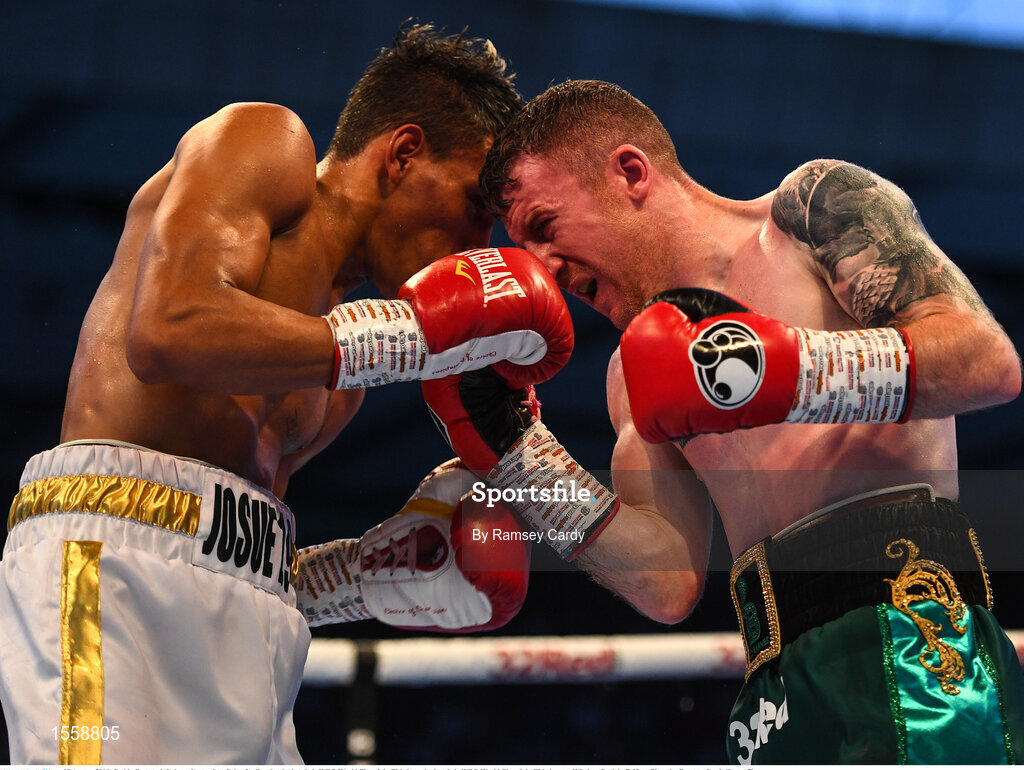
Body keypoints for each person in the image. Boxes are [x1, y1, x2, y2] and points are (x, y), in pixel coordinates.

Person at [0, 25, 573, 764]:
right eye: (473, 205)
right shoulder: (266, 139)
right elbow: (167, 329)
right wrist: (407, 338)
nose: (478, 243)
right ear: (402, 154)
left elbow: (213, 542)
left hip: (251, 631)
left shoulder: (339, 382)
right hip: (108, 573)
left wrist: (355, 578)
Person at [423, 79, 1024, 764]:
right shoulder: (630, 374)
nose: (548, 270)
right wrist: (516, 457)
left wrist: (777, 369)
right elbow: (665, 579)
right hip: (771, 690)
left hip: (913, 638)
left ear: (629, 172)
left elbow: (987, 361)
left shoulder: (811, 212)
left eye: (545, 227)